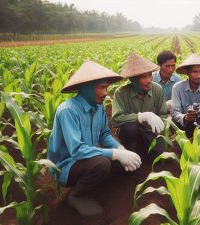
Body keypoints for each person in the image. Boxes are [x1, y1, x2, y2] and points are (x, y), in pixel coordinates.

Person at [48, 60, 142, 217]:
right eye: (102, 88)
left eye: (107, 87)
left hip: (89, 158)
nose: (106, 93)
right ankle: (78, 195)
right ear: (86, 88)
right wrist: (115, 154)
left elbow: (105, 134)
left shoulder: (98, 107)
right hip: (67, 165)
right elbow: (77, 151)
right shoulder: (68, 111)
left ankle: (96, 183)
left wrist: (121, 149)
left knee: (129, 165)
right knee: (102, 164)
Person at [112, 53, 166, 161]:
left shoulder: (157, 89)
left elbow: (163, 114)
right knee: (130, 128)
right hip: (131, 133)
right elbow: (116, 119)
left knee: (158, 158)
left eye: (150, 75)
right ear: (133, 80)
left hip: (150, 131)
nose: (149, 80)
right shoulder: (121, 92)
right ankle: (131, 150)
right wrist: (141, 117)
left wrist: (158, 125)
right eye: (143, 77)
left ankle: (143, 147)